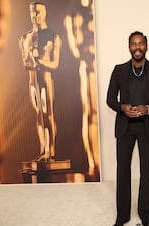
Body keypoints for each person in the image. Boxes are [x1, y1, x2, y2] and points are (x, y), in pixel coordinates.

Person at [106, 31, 149, 226]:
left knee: (146, 172)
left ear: (146, 46)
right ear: (129, 47)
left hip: (147, 127)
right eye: (134, 44)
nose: (137, 47)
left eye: (141, 43)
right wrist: (122, 107)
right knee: (122, 170)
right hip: (125, 127)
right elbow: (110, 99)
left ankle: (145, 215)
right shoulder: (118, 70)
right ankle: (122, 216)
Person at [19, 2, 61, 161]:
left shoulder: (53, 36)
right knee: (38, 116)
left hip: (46, 81)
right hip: (32, 83)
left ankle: (51, 151)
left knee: (48, 115)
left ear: (44, 13)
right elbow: (25, 63)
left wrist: (39, 61)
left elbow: (55, 64)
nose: (34, 16)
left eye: (37, 12)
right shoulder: (25, 38)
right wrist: (31, 60)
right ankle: (43, 150)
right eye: (32, 12)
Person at [64, 0, 99, 175]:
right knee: (91, 114)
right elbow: (78, 50)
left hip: (105, 68)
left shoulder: (98, 10)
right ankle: (94, 163)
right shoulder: (75, 12)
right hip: (89, 68)